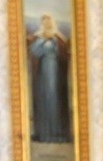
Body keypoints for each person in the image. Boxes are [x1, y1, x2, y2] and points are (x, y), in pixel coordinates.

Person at [28, 13, 71, 143]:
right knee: (43, 101)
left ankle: (58, 133)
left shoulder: (58, 38)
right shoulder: (38, 37)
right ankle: (44, 133)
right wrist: (42, 42)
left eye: (49, 22)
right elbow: (34, 52)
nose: (47, 24)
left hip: (56, 76)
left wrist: (53, 42)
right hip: (42, 76)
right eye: (44, 22)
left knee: (55, 101)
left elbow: (64, 54)